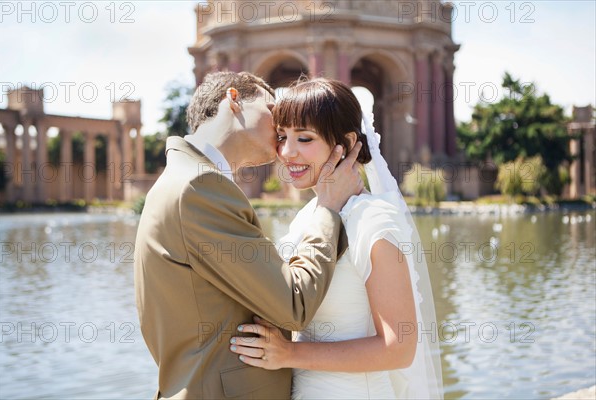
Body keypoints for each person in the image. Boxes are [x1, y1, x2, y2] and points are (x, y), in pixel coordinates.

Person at [133, 72, 364, 399]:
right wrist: (327, 206)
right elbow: (293, 304)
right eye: (272, 111)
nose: (281, 132)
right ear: (234, 99)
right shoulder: (198, 188)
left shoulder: (186, 181)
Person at [229, 78, 443, 399]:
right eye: (283, 136)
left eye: (304, 138)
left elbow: (398, 348)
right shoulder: (311, 216)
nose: (287, 152)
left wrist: (287, 354)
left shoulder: (373, 221)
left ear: (345, 142)